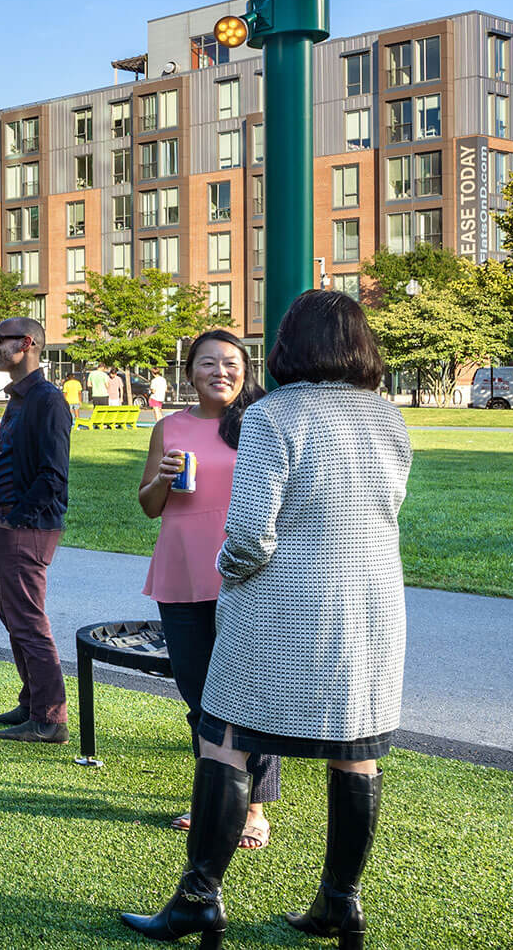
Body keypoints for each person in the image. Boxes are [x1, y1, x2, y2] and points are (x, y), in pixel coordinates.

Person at [123, 292, 408, 948]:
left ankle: (199, 896)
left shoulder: (273, 415)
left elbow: (251, 536)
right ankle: (341, 902)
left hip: (277, 605)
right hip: (371, 607)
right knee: (355, 749)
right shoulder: (388, 417)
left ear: (291, 346)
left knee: (223, 734)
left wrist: (223, 567)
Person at [137, 331, 279, 850]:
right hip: (181, 572)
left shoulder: (263, 421)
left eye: (230, 363)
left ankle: (254, 808)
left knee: (253, 698)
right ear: (189, 371)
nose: (220, 371)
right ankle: (214, 798)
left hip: (248, 579)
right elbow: (150, 505)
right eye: (207, 363)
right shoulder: (170, 426)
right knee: (199, 697)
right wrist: (163, 478)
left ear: (246, 369)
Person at [0, 316, 71, 744]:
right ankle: (32, 702)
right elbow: (24, 462)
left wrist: (16, 517)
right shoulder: (19, 397)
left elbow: (53, 475)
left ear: (27, 343)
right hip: (7, 519)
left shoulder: (47, 400)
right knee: (12, 614)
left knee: (28, 618)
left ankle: (50, 718)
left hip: (25, 524)